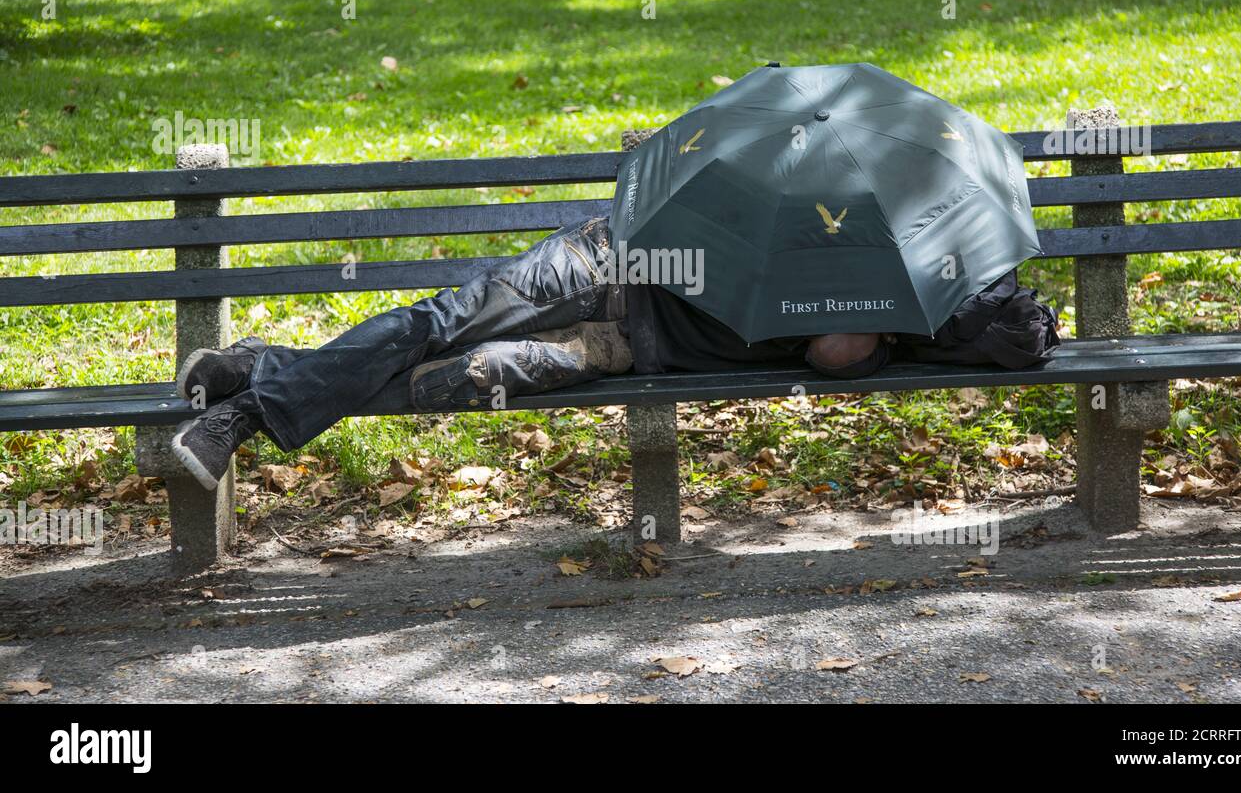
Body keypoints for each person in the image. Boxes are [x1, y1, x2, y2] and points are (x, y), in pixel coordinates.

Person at [170, 216, 890, 489]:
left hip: (618, 345)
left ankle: (264, 368)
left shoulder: (877, 288)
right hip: (604, 262)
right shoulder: (782, 206)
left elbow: (832, 354)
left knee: (445, 379)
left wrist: (875, 320)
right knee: (443, 322)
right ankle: (245, 414)